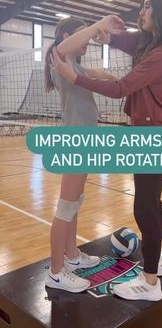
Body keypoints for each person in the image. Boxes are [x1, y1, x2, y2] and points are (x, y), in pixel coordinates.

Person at [51, 0, 162, 301]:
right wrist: (107, 33)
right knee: (152, 202)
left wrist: (76, 78)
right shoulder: (149, 42)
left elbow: (121, 87)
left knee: (143, 207)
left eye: (146, 7)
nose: (140, 12)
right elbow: (121, 39)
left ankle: (150, 282)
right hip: (145, 132)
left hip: (153, 137)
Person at [44, 17, 117, 293]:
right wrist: (96, 26)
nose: (86, 41)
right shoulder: (59, 59)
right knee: (65, 207)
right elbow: (65, 46)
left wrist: (120, 79)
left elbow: (98, 73)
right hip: (75, 143)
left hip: (87, 142)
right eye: (80, 35)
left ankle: (72, 256)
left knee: (74, 203)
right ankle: (56, 271)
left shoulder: (75, 67)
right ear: (65, 36)